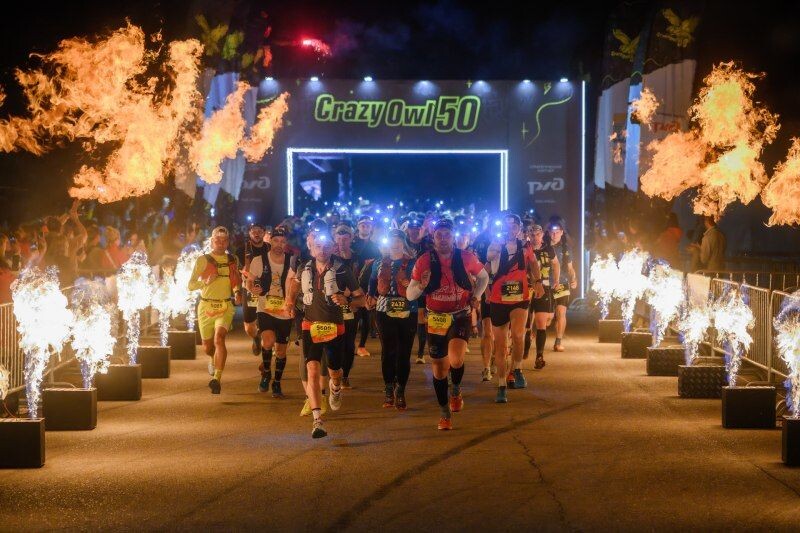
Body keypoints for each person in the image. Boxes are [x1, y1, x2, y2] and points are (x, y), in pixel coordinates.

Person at [407, 219, 489, 431]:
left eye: (447, 235)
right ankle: (444, 412)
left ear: (453, 237)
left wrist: (476, 296)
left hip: (460, 314)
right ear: (433, 238)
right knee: (439, 369)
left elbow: (483, 277)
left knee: (456, 359)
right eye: (439, 235)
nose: (443, 239)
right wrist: (422, 286)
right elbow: (409, 294)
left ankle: (456, 389)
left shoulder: (466, 257)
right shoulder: (424, 260)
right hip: (435, 317)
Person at [285, 231, 366, 439]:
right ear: (311, 248)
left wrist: (347, 300)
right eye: (318, 246)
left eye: (326, 246)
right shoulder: (304, 267)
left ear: (333, 248)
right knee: (312, 368)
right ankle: (317, 420)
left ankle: (336, 388)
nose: (322, 250)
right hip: (310, 325)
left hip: (334, 327)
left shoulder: (342, 269)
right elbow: (295, 283)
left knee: (334, 371)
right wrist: (290, 302)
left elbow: (362, 299)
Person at [486, 214, 544, 403]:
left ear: (519, 228)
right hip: (498, 299)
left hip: (520, 298)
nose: (510, 229)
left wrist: (538, 281)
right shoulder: (495, 244)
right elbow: (487, 263)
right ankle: (502, 384)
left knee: (518, 335)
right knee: (501, 345)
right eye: (506, 226)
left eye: (513, 226)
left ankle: (517, 369)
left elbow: (533, 263)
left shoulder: (525, 246)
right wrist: (484, 289)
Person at [187, 226, 242, 394]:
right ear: (211, 241)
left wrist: (237, 292)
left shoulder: (232, 259)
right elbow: (190, 285)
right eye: (217, 240)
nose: (221, 243)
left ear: (228, 242)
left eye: (224, 240)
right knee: (208, 347)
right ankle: (212, 357)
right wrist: (205, 281)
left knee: (220, 338)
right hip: (206, 307)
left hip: (225, 306)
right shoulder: (202, 260)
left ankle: (216, 379)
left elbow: (235, 279)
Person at [243, 225, 296, 399]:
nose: (279, 244)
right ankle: (266, 373)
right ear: (270, 241)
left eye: (282, 241)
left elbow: (297, 284)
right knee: (268, 341)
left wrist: (293, 301)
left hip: (284, 310)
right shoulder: (259, 260)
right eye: (276, 241)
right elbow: (249, 281)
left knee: (281, 351)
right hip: (265, 307)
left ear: (286, 244)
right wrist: (252, 289)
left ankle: (277, 382)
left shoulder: (292, 262)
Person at [367, 229, 417, 410]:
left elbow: (422, 285)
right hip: (384, 309)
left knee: (404, 352)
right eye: (392, 240)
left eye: (398, 240)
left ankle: (401, 389)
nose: (395, 244)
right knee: (388, 350)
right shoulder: (379, 262)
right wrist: (370, 295)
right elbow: (372, 280)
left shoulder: (413, 263)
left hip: (408, 309)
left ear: (403, 243)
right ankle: (389, 388)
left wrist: (411, 285)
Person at [525, 224, 559, 370]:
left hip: (544, 288)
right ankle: (525, 346)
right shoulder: (524, 248)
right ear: (528, 235)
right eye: (532, 235)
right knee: (526, 324)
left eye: (537, 235)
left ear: (542, 235)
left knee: (541, 323)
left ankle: (539, 356)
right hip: (527, 288)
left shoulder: (548, 249)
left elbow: (556, 264)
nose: (535, 238)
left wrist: (556, 280)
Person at [332, 222, 361, 388]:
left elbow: (363, 279)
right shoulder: (329, 256)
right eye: (339, 238)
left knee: (349, 343)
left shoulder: (357, 258)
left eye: (345, 239)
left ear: (351, 239)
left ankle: (345, 375)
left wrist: (354, 294)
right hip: (332, 304)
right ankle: (334, 372)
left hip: (352, 305)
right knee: (334, 341)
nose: (342, 242)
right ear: (335, 239)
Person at [404, 217, 432, 364]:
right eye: (412, 228)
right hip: (404, 285)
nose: (415, 231)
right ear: (408, 230)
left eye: (417, 228)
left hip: (422, 285)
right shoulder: (403, 243)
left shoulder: (427, 244)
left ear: (422, 230)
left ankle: (421, 353)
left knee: (421, 317)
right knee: (408, 317)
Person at [352, 215, 381, 357]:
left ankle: (362, 346)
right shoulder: (352, 243)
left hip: (367, 284)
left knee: (366, 315)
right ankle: (350, 344)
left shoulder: (374, 246)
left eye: (368, 225)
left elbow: (378, 266)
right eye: (362, 225)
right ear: (358, 227)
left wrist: (374, 291)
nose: (365, 227)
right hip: (351, 284)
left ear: (371, 228)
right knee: (353, 317)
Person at [546, 220, 577, 352]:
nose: (554, 235)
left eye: (557, 232)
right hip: (546, 283)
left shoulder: (566, 248)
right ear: (548, 233)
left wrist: (574, 279)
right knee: (548, 318)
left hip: (562, 283)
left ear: (562, 233)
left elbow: (570, 267)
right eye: (552, 232)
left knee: (561, 312)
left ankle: (558, 342)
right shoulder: (543, 246)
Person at [242, 223, 269, 356]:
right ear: (249, 233)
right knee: (249, 326)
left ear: (264, 233)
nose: (256, 234)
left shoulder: (270, 248)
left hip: (268, 289)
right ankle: (255, 337)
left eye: (259, 231)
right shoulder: (243, 249)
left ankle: (268, 347)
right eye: (254, 231)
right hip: (249, 289)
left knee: (270, 321)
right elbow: (238, 270)